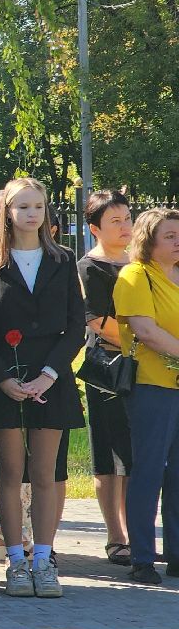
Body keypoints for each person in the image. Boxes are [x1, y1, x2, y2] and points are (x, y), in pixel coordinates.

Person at [0, 176, 85, 599]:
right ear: (7, 211)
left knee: (44, 474)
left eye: (38, 206)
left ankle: (43, 558)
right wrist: (5, 379)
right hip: (5, 383)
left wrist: (48, 374)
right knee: (10, 473)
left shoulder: (62, 260)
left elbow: (75, 327)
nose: (31, 214)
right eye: (22, 206)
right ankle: (15, 561)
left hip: (50, 380)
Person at [112, 207, 179, 586]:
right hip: (152, 387)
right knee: (150, 470)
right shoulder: (135, 276)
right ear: (149, 240)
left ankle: (177, 554)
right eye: (169, 236)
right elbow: (147, 332)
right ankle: (141, 556)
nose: (177, 241)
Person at [77, 190, 134, 565]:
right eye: (115, 221)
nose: (126, 226)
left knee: (135, 456)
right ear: (95, 228)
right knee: (108, 455)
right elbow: (97, 319)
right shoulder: (89, 267)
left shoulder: (143, 263)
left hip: (149, 365)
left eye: (128, 218)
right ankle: (116, 536)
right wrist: (145, 337)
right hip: (109, 370)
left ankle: (135, 531)